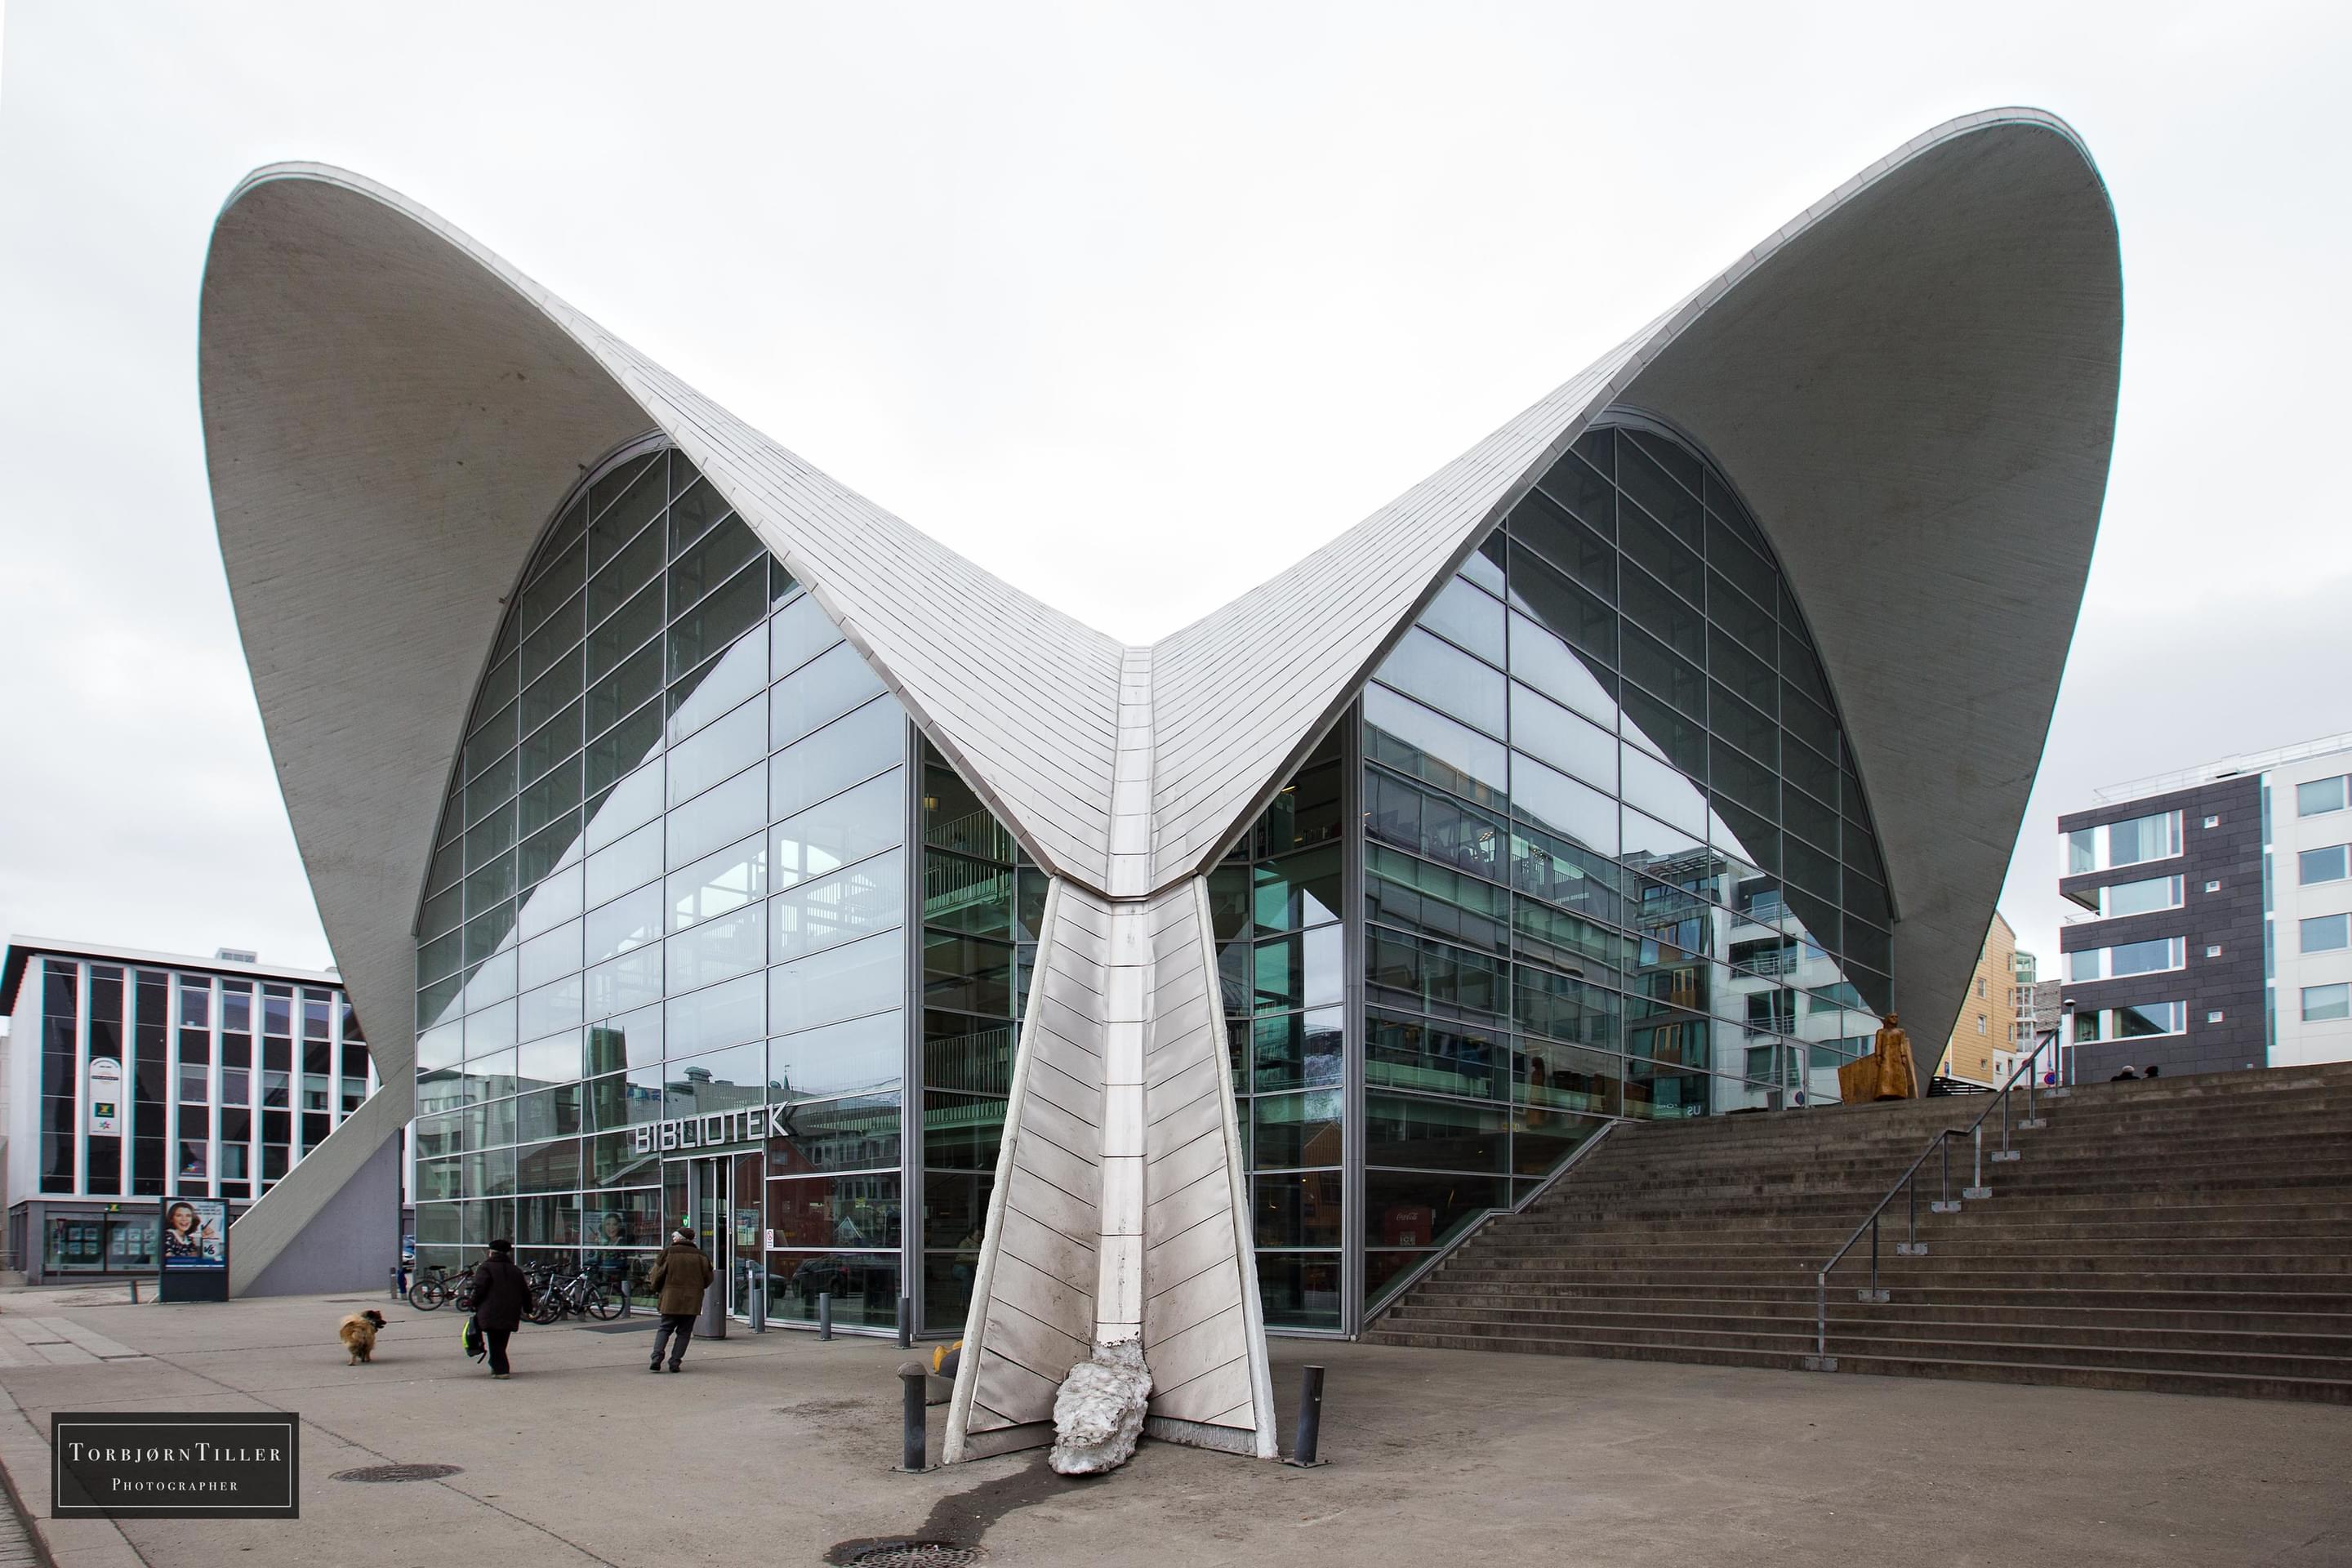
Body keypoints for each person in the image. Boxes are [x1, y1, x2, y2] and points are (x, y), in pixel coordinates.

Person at [647, 1224, 715, 1373]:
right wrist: (697, 1288)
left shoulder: (668, 1252)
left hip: (671, 1297)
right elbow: (709, 1278)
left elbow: (656, 1274)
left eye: (674, 1237)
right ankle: (675, 1362)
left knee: (665, 1328)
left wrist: (657, 1289)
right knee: (684, 1332)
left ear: (679, 1238)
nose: (672, 1239)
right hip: (692, 1299)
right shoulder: (702, 1256)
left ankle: (657, 1358)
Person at [470, 1238, 531, 1380]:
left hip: (491, 1309)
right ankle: (496, 1365)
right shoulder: (515, 1270)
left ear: (491, 1252)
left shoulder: (486, 1267)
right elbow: (525, 1291)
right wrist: (528, 1308)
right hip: (511, 1310)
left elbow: (480, 1288)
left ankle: (501, 1369)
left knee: (495, 1340)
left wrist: (473, 1303)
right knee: (501, 1340)